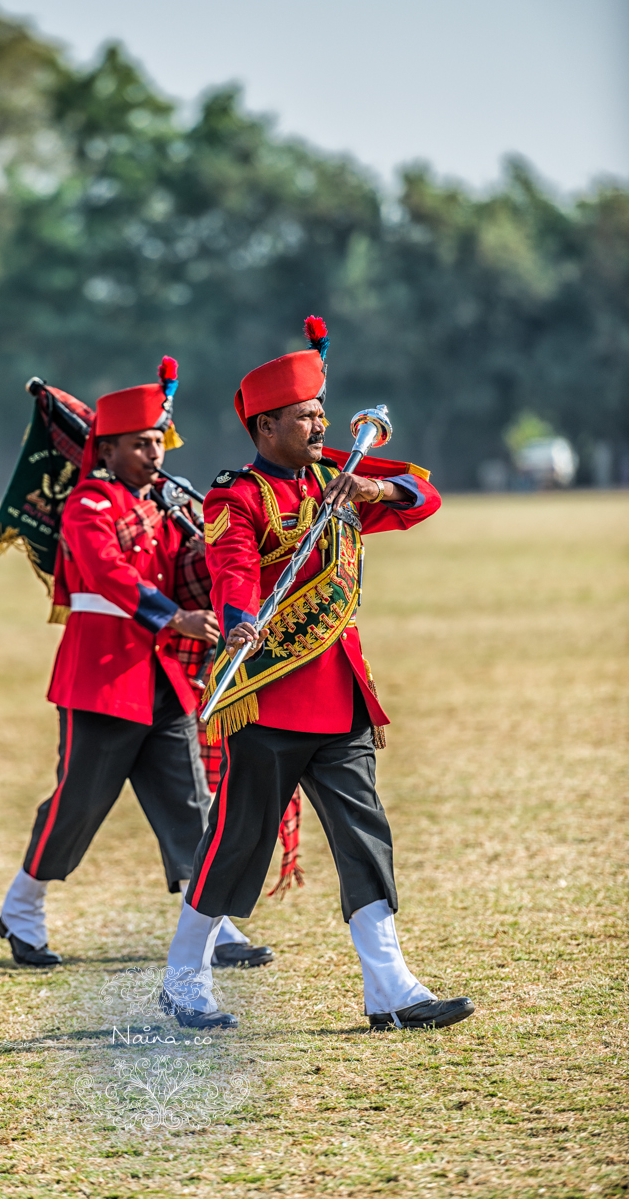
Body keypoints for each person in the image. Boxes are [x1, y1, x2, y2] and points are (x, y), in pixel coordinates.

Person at [161, 317, 476, 1032]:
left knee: (364, 838)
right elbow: (232, 564)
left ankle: (389, 987)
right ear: (264, 425)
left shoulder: (340, 481)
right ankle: (184, 978)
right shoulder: (234, 496)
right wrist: (239, 614)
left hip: (340, 694)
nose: (319, 423)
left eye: (320, 413)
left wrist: (372, 489)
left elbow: (422, 497)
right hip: (269, 694)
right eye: (304, 415)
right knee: (238, 839)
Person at [0, 360, 273, 968]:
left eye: (159, 442)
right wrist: (175, 618)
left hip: (164, 681)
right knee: (79, 804)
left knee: (191, 807)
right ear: (109, 449)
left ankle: (215, 929)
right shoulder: (86, 505)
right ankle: (22, 908)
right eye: (141, 444)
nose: (154, 453)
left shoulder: (164, 507)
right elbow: (109, 575)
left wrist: (217, 545)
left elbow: (185, 576)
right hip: (99, 677)